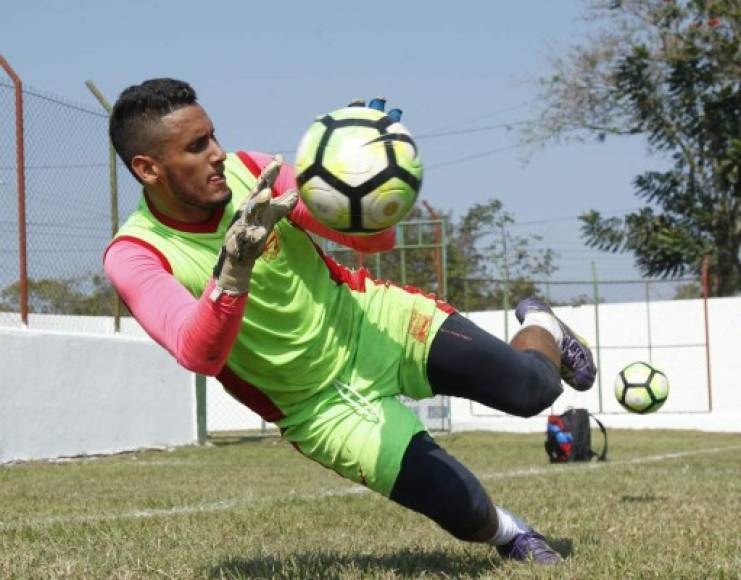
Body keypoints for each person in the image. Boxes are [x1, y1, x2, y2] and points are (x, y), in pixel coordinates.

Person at [104, 78, 597, 567]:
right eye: (196, 146)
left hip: (375, 322)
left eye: (213, 136)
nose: (218, 154)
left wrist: (362, 177)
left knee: (531, 391)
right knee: (463, 507)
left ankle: (542, 324)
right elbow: (199, 354)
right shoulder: (135, 255)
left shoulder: (253, 172)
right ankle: (512, 535)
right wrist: (233, 270)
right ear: (148, 168)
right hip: (316, 409)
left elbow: (372, 242)